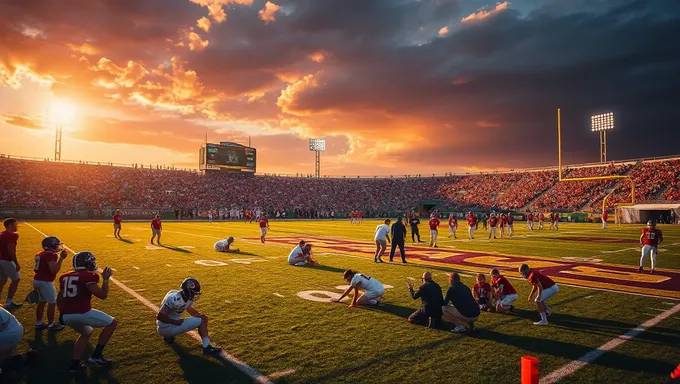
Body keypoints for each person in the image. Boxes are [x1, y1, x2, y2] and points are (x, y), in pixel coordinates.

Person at [58, 251, 118, 372]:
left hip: (66, 316)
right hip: (82, 313)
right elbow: (102, 295)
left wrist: (63, 312)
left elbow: (59, 299)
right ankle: (96, 356)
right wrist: (106, 280)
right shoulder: (89, 276)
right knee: (112, 323)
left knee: (86, 332)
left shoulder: (64, 277)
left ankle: (74, 366)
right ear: (88, 263)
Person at [156, 278, 222, 355]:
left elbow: (189, 309)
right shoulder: (174, 299)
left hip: (168, 326)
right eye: (193, 292)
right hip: (166, 327)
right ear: (187, 291)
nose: (195, 295)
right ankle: (207, 347)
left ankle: (169, 337)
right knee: (202, 321)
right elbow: (160, 316)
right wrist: (174, 321)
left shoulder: (184, 297)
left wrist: (200, 315)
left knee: (201, 318)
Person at [33, 236, 67, 331]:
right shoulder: (51, 254)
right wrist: (61, 259)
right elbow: (53, 270)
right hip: (45, 281)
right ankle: (51, 325)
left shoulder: (40, 253)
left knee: (42, 302)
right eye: (56, 245)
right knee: (52, 303)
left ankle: (38, 323)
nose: (58, 247)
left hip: (37, 279)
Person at [0, 218, 22, 309]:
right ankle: (9, 302)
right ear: (9, 226)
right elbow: (11, 250)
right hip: (6, 260)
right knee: (16, 279)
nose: (17, 226)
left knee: (2, 280)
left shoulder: (1, 233)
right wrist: (16, 263)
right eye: (15, 224)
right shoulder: (12, 235)